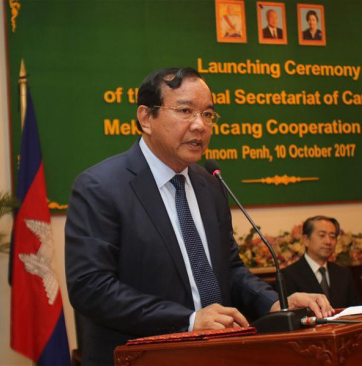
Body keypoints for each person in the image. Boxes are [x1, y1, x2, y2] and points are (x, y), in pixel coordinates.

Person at [65, 68, 333, 366]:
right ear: (145, 118)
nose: (200, 125)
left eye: (208, 114)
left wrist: (276, 303)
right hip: (141, 357)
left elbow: (229, 270)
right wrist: (189, 321)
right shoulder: (101, 187)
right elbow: (91, 287)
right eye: (185, 111)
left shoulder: (209, 184)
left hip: (219, 355)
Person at [276, 216, 359, 308]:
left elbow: (355, 309)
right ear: (306, 240)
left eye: (332, 236)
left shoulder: (343, 273)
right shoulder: (288, 276)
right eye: (322, 235)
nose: (328, 241)